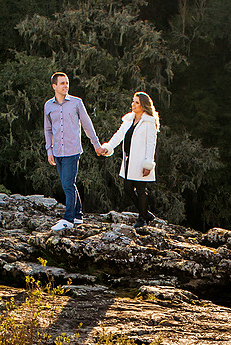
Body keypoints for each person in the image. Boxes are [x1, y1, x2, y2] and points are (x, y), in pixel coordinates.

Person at [43, 72, 104, 231]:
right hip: (57, 151)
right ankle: (78, 216)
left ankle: (68, 219)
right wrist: (49, 150)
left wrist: (96, 144)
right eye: (62, 83)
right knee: (68, 184)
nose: (66, 86)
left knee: (67, 184)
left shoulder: (76, 103)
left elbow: (87, 125)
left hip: (72, 150)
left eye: (67, 83)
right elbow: (48, 129)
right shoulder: (48, 105)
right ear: (54, 86)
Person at [100, 92, 159, 228]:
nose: (133, 104)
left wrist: (148, 164)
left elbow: (151, 144)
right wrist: (107, 147)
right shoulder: (128, 120)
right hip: (128, 161)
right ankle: (145, 213)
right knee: (127, 188)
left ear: (144, 105)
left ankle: (142, 219)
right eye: (133, 101)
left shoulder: (149, 122)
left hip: (141, 161)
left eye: (137, 102)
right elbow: (118, 135)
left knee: (140, 189)